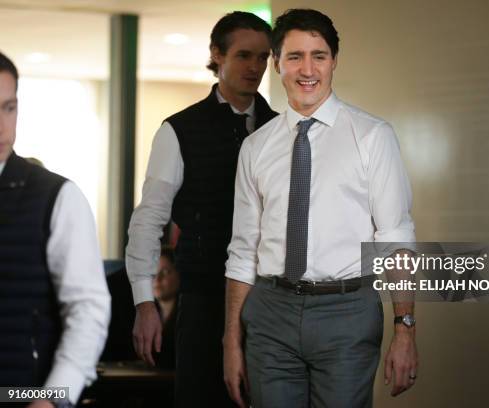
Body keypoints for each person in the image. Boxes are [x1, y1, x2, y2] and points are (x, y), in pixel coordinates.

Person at [223, 9, 418, 408]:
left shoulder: (372, 137)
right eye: (294, 56)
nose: (307, 69)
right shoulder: (256, 148)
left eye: (319, 56)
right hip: (270, 313)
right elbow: (243, 250)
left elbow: (395, 239)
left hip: (346, 312)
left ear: (334, 62)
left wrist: (405, 329)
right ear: (277, 63)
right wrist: (231, 339)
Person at [125, 11, 277, 407]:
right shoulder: (179, 130)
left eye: (264, 57)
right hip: (203, 300)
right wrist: (145, 303)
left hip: (271, 303)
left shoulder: (283, 128)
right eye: (245, 55)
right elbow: (148, 219)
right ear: (217, 55)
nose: (256, 67)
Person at [0, 51, 111, 408]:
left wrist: (52, 397)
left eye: (8, 108)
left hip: (25, 394)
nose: (3, 125)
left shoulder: (57, 196)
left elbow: (87, 308)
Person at [153, 246, 179, 369]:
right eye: (153, 273)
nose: (157, 279)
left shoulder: (190, 318)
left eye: (165, 272)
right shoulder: (144, 314)